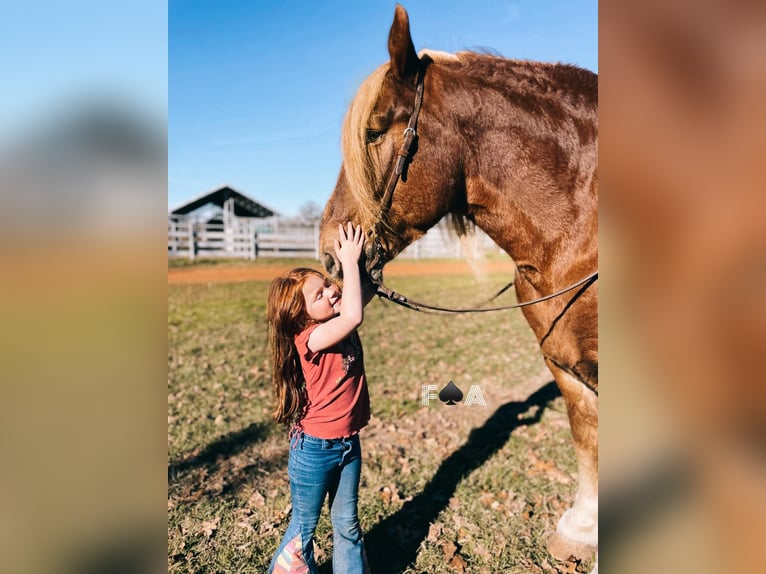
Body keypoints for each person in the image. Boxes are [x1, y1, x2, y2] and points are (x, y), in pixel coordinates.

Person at [266, 222, 371, 574]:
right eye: (319, 294)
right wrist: (350, 260)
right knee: (302, 534)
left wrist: (356, 264)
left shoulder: (337, 313)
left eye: (327, 284)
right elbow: (354, 313)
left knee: (348, 526)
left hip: (348, 445)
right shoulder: (309, 339)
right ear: (300, 316)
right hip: (314, 451)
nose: (330, 291)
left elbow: (353, 301)